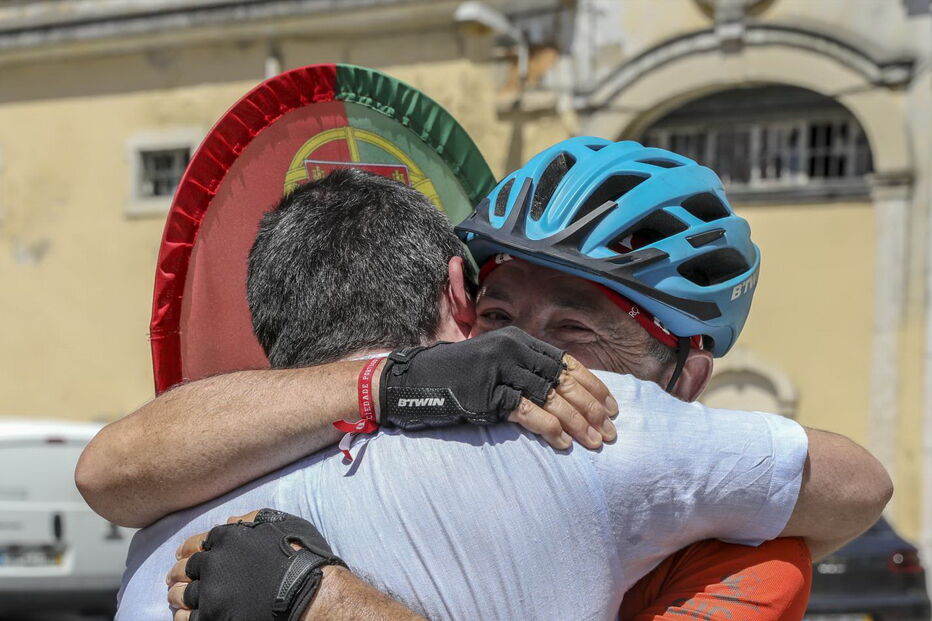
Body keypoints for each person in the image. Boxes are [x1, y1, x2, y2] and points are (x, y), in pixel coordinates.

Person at [81, 142, 890, 620]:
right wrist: (396, 383)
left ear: (686, 377)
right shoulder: (594, 432)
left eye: (573, 331)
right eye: (499, 319)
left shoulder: (621, 433)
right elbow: (107, 471)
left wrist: (322, 600)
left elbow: (860, 482)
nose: (524, 360)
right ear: (461, 304)